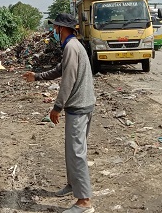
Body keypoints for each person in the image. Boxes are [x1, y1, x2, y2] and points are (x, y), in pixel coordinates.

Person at [23, 13, 96, 213]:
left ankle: (84, 202)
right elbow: (60, 69)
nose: (53, 31)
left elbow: (68, 79)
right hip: (83, 105)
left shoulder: (72, 47)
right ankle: (73, 185)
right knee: (72, 150)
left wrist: (57, 107)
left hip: (79, 107)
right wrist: (37, 77)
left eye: (55, 28)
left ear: (61, 29)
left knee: (76, 152)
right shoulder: (72, 47)